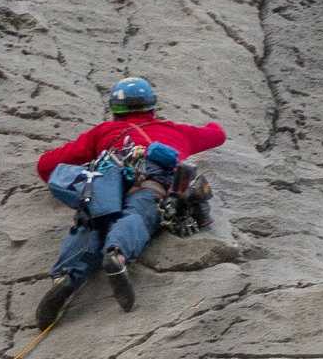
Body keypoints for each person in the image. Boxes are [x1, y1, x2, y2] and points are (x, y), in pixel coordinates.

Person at [34, 76, 226, 326]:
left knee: (93, 220)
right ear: (152, 107)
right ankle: (117, 254)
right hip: (153, 177)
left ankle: (67, 276)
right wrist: (211, 121)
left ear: (115, 109)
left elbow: (46, 166)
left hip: (110, 177)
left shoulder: (103, 132)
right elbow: (217, 135)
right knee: (139, 211)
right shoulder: (175, 130)